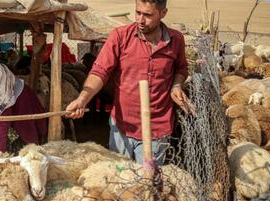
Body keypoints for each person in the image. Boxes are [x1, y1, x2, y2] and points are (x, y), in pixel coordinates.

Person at [66, 0, 189, 165]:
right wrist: (82, 99)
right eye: (138, 12)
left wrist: (176, 85)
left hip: (157, 129)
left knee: (147, 183)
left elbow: (181, 68)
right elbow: (100, 71)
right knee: (120, 180)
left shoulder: (176, 40)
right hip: (122, 127)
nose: (140, 20)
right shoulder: (120, 36)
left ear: (163, 13)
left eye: (147, 15)